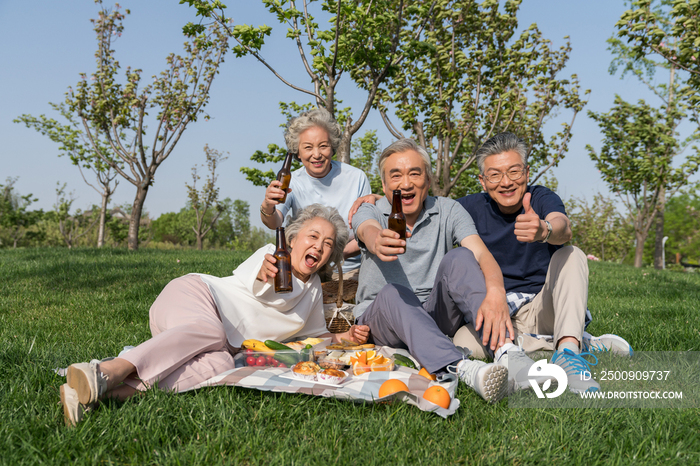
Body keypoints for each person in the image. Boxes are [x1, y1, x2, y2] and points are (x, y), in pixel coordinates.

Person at [59, 204, 370, 426]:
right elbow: (261, 280)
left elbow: (312, 335)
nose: (319, 246)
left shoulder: (314, 288)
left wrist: (342, 336)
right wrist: (266, 272)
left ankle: (98, 395)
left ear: (332, 255)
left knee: (221, 365)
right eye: (313, 236)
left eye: (328, 244)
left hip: (204, 340)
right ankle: (108, 371)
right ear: (293, 239)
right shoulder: (273, 257)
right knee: (212, 332)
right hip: (193, 297)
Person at [350, 138, 526, 404]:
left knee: (461, 256)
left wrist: (497, 292)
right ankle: (463, 368)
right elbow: (367, 229)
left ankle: (507, 351)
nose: (406, 183)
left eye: (414, 173)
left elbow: (481, 254)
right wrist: (376, 240)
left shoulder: (448, 209)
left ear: (428, 180)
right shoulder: (370, 210)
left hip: (434, 312)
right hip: (381, 317)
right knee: (393, 292)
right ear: (384, 186)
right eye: (395, 175)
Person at [455, 132, 633, 394]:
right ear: (483, 181)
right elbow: (429, 210)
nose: (505, 182)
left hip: (543, 307)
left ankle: (569, 355)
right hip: (498, 314)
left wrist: (545, 229)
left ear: (526, 173)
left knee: (571, 253)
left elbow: (563, 226)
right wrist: (376, 202)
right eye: (495, 175)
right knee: (461, 342)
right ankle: (580, 341)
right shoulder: (468, 207)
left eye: (514, 172)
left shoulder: (540, 197)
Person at [260, 108, 371, 278]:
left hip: (348, 268)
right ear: (298, 151)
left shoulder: (356, 177)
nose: (316, 154)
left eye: (323, 146)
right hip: (307, 268)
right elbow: (275, 223)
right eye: (308, 147)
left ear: (332, 146)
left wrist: (333, 256)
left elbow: (365, 229)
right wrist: (268, 206)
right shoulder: (292, 181)